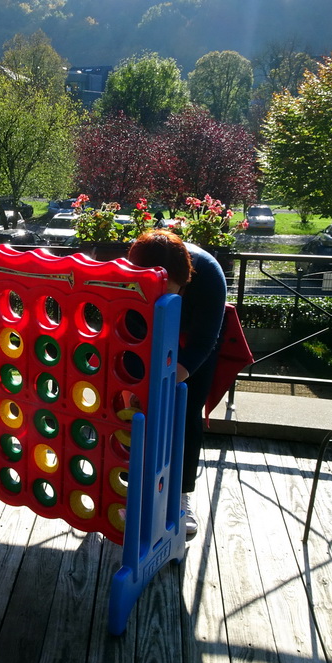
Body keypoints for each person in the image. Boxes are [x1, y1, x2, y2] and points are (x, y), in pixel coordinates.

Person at [127, 229, 226, 540]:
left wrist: (170, 380)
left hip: (194, 340)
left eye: (174, 291)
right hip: (145, 332)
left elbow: (203, 343)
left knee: (187, 410)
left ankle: (181, 498)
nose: (168, 298)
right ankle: (131, 489)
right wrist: (137, 383)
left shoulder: (209, 276)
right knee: (133, 408)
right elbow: (129, 328)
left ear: (186, 281)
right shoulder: (128, 274)